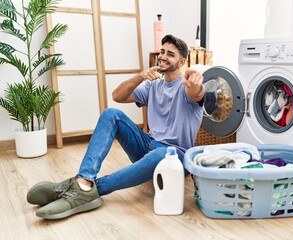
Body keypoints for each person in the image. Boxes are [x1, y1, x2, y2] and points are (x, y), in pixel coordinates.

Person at [26, 34, 205, 220]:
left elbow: (196, 94)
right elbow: (117, 96)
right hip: (148, 145)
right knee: (111, 114)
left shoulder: (186, 87)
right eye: (162, 51)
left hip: (175, 157)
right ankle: (83, 179)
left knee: (162, 153)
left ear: (182, 61)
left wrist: (195, 87)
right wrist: (141, 76)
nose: (163, 56)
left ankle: (82, 189)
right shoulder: (153, 86)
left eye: (170, 54)